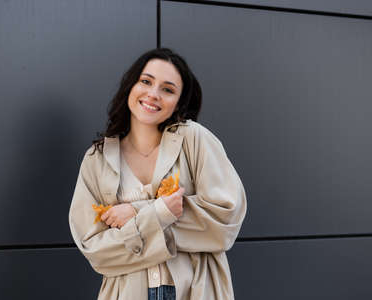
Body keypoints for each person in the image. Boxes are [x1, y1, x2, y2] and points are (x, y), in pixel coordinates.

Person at [68, 47, 247, 300]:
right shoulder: (96, 160)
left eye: (168, 89)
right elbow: (96, 250)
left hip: (196, 290)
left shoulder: (194, 139)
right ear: (130, 86)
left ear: (178, 103)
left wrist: (137, 212)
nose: (153, 94)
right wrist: (160, 213)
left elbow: (225, 220)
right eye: (146, 81)